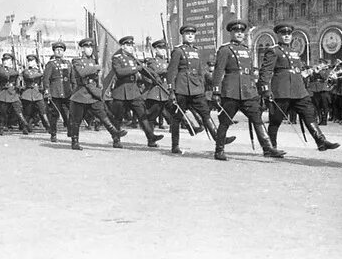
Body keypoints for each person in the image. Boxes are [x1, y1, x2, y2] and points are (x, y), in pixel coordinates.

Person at [258, 23, 339, 152]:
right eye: (283, 34)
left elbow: (298, 70)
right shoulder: (273, 50)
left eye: (288, 34)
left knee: (309, 114)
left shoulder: (294, 52)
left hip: (298, 90)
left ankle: (321, 141)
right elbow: (266, 71)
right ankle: (270, 148)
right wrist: (266, 89)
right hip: (281, 90)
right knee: (276, 120)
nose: (286, 36)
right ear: (278, 35)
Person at [211, 20, 286, 161]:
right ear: (231, 33)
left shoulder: (246, 50)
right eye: (236, 31)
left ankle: (268, 148)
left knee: (257, 119)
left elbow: (251, 73)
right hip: (231, 91)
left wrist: (256, 91)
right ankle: (219, 150)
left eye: (241, 31)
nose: (239, 34)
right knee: (225, 121)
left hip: (248, 92)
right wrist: (216, 91)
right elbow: (218, 71)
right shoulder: (225, 49)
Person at [167, 25, 233, 154]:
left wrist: (203, 86)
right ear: (183, 35)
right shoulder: (178, 51)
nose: (190, 36)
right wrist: (171, 90)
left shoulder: (197, 51)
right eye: (187, 34)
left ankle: (219, 138)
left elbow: (199, 71)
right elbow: (172, 71)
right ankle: (175, 145)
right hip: (182, 88)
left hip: (196, 89)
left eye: (192, 34)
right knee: (177, 117)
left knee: (205, 114)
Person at [68, 38, 126, 150]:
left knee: (103, 116)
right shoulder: (77, 60)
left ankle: (115, 133)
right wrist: (96, 67)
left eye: (91, 47)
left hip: (93, 94)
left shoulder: (94, 60)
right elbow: (81, 72)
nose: (89, 49)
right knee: (76, 121)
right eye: (87, 47)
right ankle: (74, 142)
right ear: (82, 49)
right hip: (81, 95)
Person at [109, 36, 162, 147]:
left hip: (133, 91)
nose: (131, 47)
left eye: (132, 45)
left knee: (142, 114)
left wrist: (154, 78)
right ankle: (116, 140)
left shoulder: (133, 58)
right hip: (121, 91)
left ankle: (150, 136)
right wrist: (136, 69)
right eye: (128, 45)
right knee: (118, 117)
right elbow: (119, 72)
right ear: (123, 46)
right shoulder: (117, 57)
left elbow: (144, 70)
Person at [43, 41, 72, 142]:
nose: (59, 51)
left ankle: (70, 130)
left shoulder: (68, 63)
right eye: (57, 50)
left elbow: (72, 78)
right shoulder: (51, 64)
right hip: (55, 93)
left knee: (69, 113)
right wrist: (47, 91)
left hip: (66, 92)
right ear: (54, 51)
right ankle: (53, 134)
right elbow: (46, 79)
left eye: (61, 50)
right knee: (54, 115)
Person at [0, 53, 30, 134]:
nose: (5, 62)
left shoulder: (14, 70)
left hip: (13, 92)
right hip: (4, 93)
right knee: (3, 112)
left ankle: (25, 125)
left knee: (18, 110)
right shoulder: (1, 69)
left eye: (7, 60)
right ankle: (1, 128)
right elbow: (6, 75)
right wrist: (17, 72)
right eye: (4, 60)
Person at [21, 54, 50, 132]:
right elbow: (29, 76)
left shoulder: (39, 70)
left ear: (36, 62)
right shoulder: (26, 71)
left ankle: (48, 126)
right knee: (28, 113)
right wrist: (41, 73)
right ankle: (25, 127)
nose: (30, 62)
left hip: (38, 93)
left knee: (42, 111)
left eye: (32, 61)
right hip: (28, 93)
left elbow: (44, 80)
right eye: (29, 61)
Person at [308, 58, 331, 125]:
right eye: (319, 63)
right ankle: (320, 119)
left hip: (324, 90)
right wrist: (313, 73)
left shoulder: (327, 70)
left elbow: (325, 77)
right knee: (318, 106)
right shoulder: (317, 70)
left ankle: (324, 120)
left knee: (325, 106)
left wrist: (320, 71)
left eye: (321, 63)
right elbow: (312, 79)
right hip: (317, 90)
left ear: (325, 64)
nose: (320, 64)